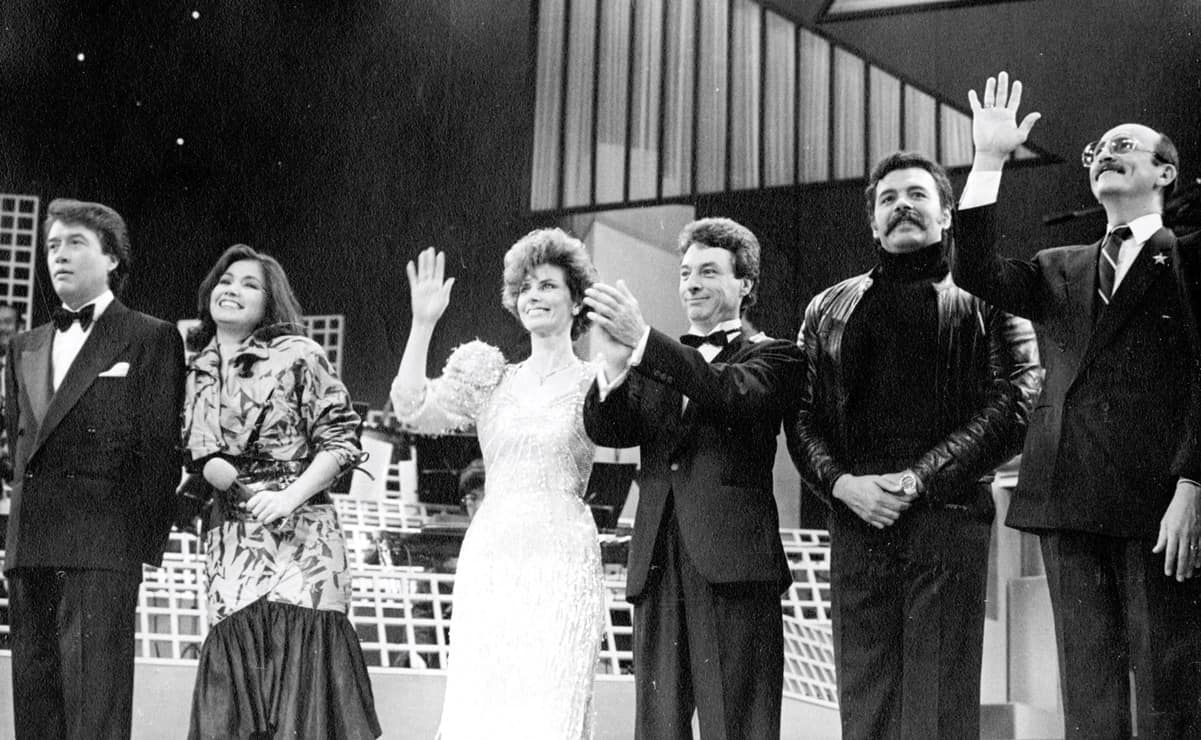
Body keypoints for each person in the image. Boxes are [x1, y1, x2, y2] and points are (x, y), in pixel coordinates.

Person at [953, 72, 1201, 739]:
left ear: (1165, 173)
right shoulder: (1057, 266)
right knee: (1086, 697)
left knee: (1169, 695)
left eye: (1124, 146)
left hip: (1160, 505)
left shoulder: (1189, 258)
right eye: (1097, 150)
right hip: (1067, 497)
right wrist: (988, 159)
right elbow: (974, 272)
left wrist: (1193, 483)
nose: (1105, 154)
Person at [789, 151, 1041, 738]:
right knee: (865, 709)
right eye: (888, 199)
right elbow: (800, 415)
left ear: (948, 214)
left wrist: (916, 479)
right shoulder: (826, 307)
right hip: (857, 519)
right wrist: (841, 485)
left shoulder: (989, 296)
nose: (902, 205)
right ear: (873, 224)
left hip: (947, 516)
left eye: (917, 195)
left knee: (938, 711)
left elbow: (1017, 401)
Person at [581, 217, 803, 739]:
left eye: (708, 271)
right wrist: (613, 367)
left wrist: (644, 342)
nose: (692, 284)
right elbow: (609, 429)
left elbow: (730, 393)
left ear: (745, 284)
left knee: (738, 727)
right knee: (657, 728)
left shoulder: (776, 355)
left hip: (734, 569)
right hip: (657, 563)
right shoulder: (656, 361)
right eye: (685, 274)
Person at [390, 230, 605, 739]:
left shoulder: (596, 380)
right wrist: (423, 324)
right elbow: (411, 408)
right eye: (525, 287)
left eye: (548, 285)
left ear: (577, 300)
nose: (534, 296)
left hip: (563, 555)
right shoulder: (490, 378)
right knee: (485, 703)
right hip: (494, 553)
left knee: (552, 703)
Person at [181, 244, 380, 740]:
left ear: (269, 303)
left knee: (306, 700)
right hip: (231, 544)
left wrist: (289, 497)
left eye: (250, 284)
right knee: (237, 702)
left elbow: (342, 441)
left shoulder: (300, 355)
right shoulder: (193, 368)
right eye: (226, 280)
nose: (232, 290)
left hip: (303, 540)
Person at [3, 198, 184, 739]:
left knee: (96, 716)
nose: (59, 255)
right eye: (52, 245)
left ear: (112, 258)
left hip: (103, 549)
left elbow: (159, 452)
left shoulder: (150, 337)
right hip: (31, 548)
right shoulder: (24, 346)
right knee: (36, 714)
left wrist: (134, 548)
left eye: (75, 243)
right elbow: (21, 444)